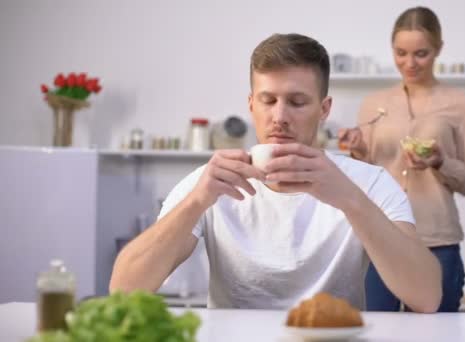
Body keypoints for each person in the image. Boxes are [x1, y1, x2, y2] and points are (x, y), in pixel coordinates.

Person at [110, 33, 442, 312]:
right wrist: (197, 201)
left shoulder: (367, 182)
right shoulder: (209, 182)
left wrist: (350, 199)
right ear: (251, 104)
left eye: (297, 102)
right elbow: (123, 291)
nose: (280, 116)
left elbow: (426, 297)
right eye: (268, 100)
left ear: (323, 109)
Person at [339, 7, 465, 312]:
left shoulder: (462, 105)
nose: (409, 63)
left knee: (437, 334)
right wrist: (356, 150)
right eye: (400, 53)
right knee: (378, 331)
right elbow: (367, 173)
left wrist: (440, 162)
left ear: (439, 49)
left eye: (421, 53)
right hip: (382, 237)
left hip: (438, 241)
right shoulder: (373, 104)